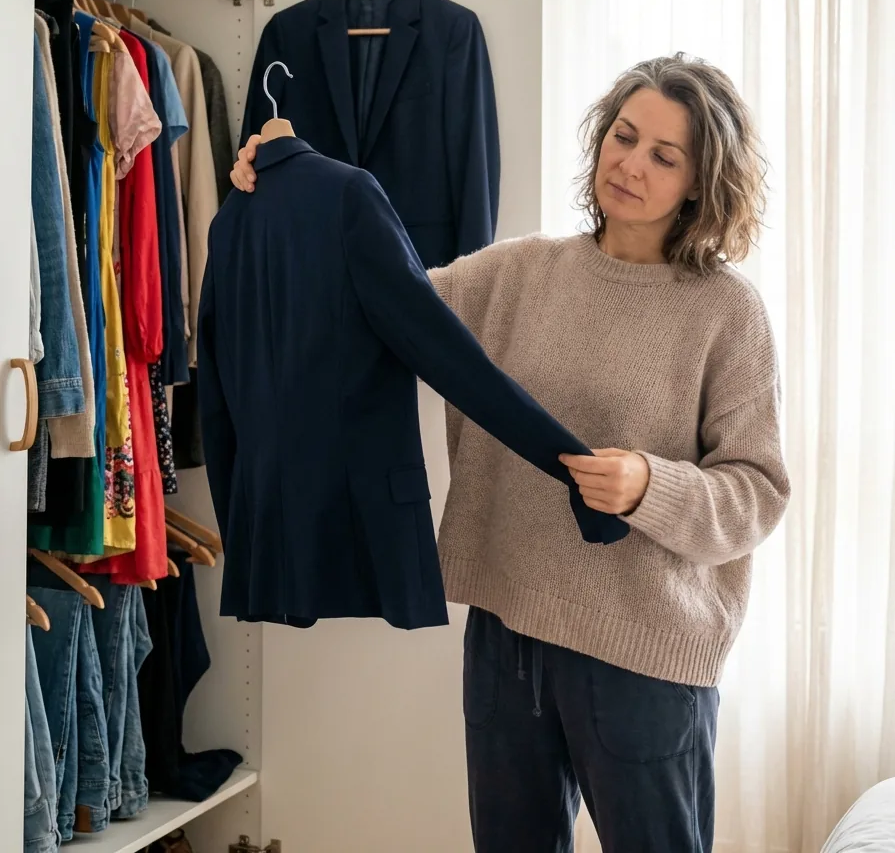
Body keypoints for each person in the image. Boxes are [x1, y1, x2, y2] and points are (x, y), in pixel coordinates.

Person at [229, 52, 790, 853]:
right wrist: (283, 182)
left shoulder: (727, 313)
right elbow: (378, 299)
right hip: (507, 634)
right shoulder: (519, 272)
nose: (630, 164)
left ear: (701, 182)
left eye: (664, 156)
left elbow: (758, 492)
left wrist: (647, 486)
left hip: (643, 651)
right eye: (623, 137)